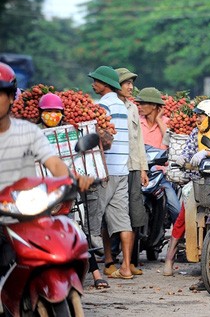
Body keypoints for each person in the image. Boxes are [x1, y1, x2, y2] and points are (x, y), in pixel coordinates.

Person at [0, 62, 94, 271]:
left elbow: (53, 163)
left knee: (67, 239)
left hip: (26, 211)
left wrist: (71, 179)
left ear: (11, 97)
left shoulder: (29, 132)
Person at [37, 92, 110, 289]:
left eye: (55, 112)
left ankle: (96, 275)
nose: (52, 115)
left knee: (79, 231)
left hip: (65, 193)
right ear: (40, 114)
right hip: (38, 194)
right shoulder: (33, 134)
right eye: (47, 112)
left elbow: (83, 158)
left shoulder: (70, 135)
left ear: (62, 114)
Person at [163, 99, 210, 277]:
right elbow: (188, 152)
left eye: (201, 115)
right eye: (197, 115)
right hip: (197, 183)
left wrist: (208, 153)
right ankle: (169, 258)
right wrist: (183, 159)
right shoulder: (195, 133)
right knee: (182, 218)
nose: (197, 119)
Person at [88, 65, 135, 280]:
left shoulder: (103, 106)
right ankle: (125, 267)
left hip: (105, 170)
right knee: (122, 220)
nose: (93, 84)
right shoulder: (122, 106)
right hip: (122, 170)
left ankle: (94, 267)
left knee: (93, 219)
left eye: (96, 81)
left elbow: (104, 138)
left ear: (105, 84)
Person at [109, 67, 149, 276]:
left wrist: (143, 167)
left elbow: (139, 140)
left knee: (135, 214)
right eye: (127, 83)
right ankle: (109, 261)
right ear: (117, 85)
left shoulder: (133, 108)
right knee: (114, 214)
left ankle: (130, 261)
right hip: (116, 167)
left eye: (131, 83)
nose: (131, 87)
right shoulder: (109, 106)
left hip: (133, 166)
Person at [135, 87, 181, 224]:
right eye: (139, 104)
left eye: (143, 104)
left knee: (176, 210)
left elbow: (171, 142)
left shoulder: (167, 123)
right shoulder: (137, 122)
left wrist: (159, 120)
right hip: (140, 171)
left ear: (154, 106)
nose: (140, 107)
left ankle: (178, 239)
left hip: (161, 176)